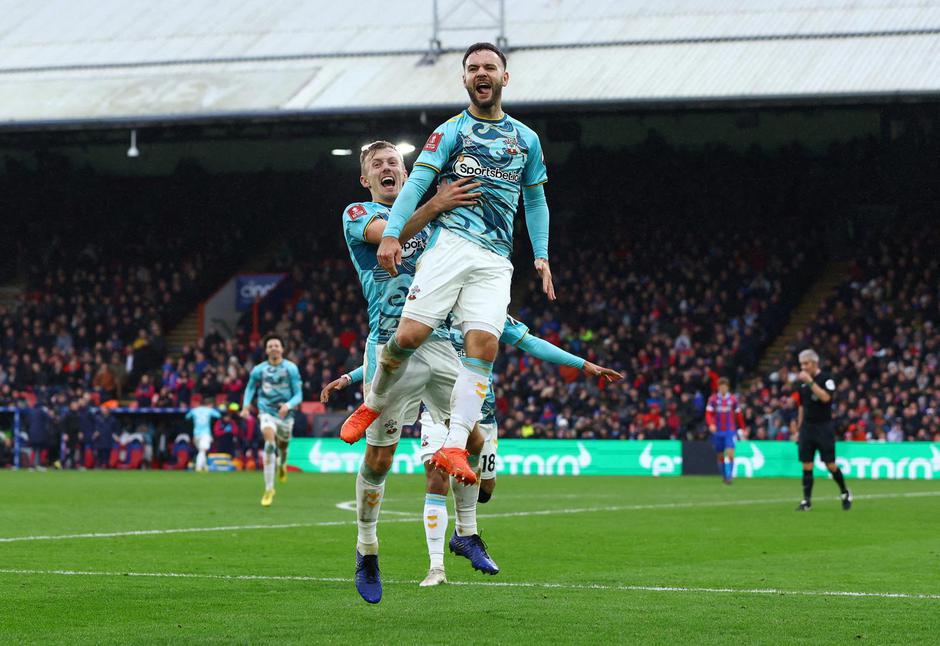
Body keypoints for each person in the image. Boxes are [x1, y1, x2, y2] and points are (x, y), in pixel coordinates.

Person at [342, 42, 555, 485]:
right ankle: (373, 401)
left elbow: (535, 199)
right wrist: (395, 233)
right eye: (473, 67)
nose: (482, 72)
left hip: (497, 259)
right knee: (410, 334)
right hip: (453, 246)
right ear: (464, 79)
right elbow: (419, 180)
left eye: (489, 67)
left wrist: (541, 253)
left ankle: (456, 445)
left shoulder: (526, 139)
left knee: (484, 346)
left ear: (503, 77)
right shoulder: (450, 132)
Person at [323, 314, 622, 587]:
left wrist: (583, 364)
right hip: (439, 409)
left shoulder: (485, 310)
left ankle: (463, 535)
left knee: (485, 490)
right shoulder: (432, 306)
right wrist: (351, 376)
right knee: (436, 478)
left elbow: (531, 343)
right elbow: (399, 348)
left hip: (481, 415)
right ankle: (436, 567)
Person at [335, 139, 482, 604]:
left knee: (474, 441)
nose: (385, 168)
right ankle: (367, 549)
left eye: (393, 163)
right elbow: (388, 237)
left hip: (437, 343)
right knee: (380, 459)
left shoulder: (437, 216)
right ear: (366, 179)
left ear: (406, 172)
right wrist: (436, 203)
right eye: (377, 165)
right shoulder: (357, 213)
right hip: (387, 347)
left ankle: (466, 533)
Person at [241, 334, 302, 507]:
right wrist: (245, 407)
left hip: (285, 415)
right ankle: (269, 489)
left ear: (282, 349)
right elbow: (250, 387)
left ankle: (282, 464)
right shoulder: (259, 370)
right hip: (266, 411)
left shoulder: (290, 368)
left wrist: (288, 405)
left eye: (276, 345)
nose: (274, 348)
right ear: (266, 350)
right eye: (270, 346)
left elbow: (299, 394)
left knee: (282, 448)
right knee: (269, 444)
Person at [795, 349, 851, 511]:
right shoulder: (802, 382)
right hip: (807, 427)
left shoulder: (827, 378)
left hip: (823, 427)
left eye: (806, 364)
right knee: (806, 464)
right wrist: (799, 429)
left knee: (830, 464)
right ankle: (807, 501)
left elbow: (826, 398)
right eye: (801, 364)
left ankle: (845, 492)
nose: (803, 367)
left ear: (814, 363)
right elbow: (801, 406)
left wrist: (811, 382)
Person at [705, 377, 746, 484]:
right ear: (718, 388)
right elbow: (708, 414)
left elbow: (739, 415)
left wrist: (742, 428)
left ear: (727, 388)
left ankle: (729, 476)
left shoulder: (733, 399)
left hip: (730, 430)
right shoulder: (713, 399)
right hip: (718, 431)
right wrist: (711, 424)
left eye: (725, 387)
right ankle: (724, 475)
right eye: (721, 387)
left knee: (730, 452)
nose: (723, 389)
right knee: (720, 455)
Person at [185, 404, 221, 472]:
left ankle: (204, 466)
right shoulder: (209, 410)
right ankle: (198, 467)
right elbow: (218, 415)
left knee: (202, 451)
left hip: (196, 435)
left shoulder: (194, 410)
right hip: (205, 434)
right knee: (203, 450)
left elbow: (187, 417)